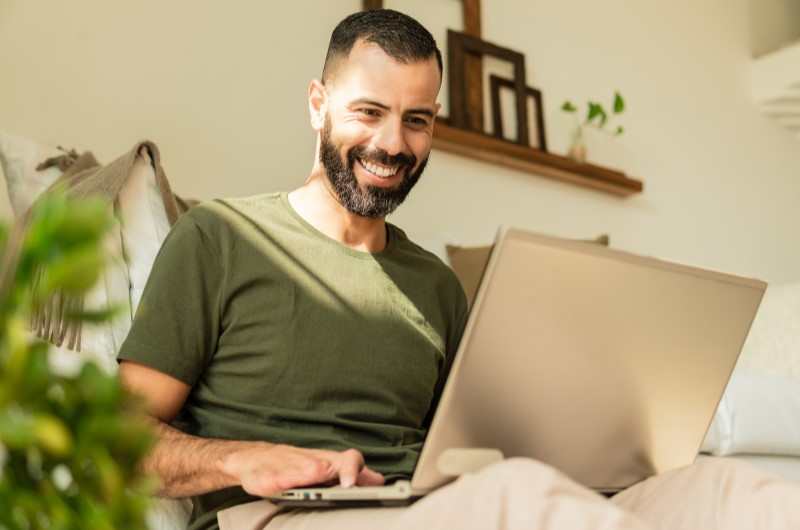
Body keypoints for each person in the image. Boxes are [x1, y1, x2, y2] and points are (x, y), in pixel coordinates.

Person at [118, 9, 800, 530]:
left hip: (424, 504)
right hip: (283, 516)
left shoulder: (436, 284)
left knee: (731, 491)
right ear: (318, 105)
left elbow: (474, 448)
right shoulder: (220, 237)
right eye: (369, 112)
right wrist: (242, 459)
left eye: (416, 120)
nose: (392, 143)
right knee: (519, 500)